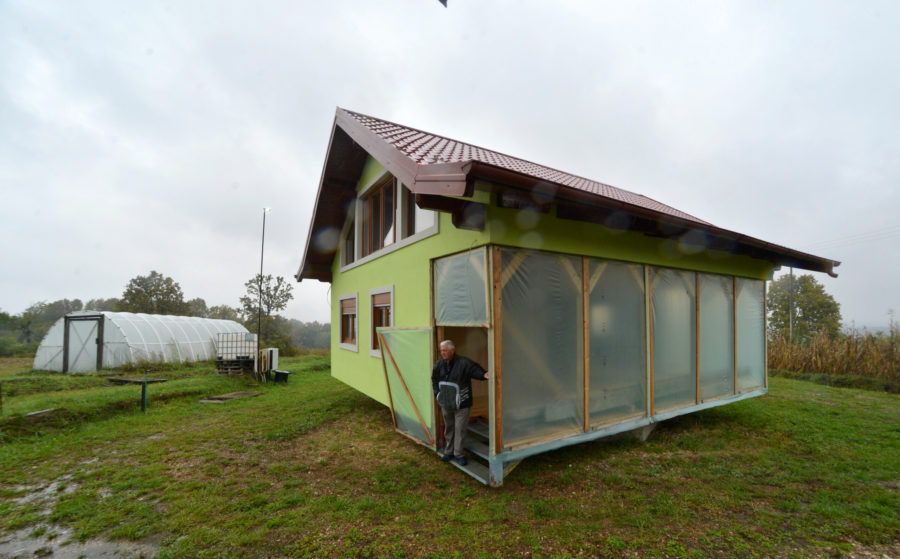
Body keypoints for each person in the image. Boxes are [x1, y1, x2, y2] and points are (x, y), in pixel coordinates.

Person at [431, 339, 488, 466]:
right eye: (441, 351)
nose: (443, 353)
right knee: (449, 428)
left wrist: (484, 374)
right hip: (446, 404)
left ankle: (459, 454)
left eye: (445, 350)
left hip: (462, 405)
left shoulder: (464, 363)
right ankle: (448, 452)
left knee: (460, 429)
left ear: (452, 350)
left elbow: (475, 369)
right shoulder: (439, 364)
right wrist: (438, 394)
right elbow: (434, 379)